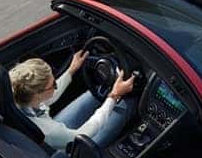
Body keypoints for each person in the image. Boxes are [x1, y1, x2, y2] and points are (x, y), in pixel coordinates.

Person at [8, 50, 136, 151]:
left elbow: (49, 97)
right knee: (127, 103)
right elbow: (84, 133)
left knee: (95, 94)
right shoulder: (49, 132)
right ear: (37, 95)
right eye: (53, 84)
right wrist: (113, 96)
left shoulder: (16, 94)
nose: (56, 85)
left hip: (52, 135)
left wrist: (71, 70)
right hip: (66, 149)